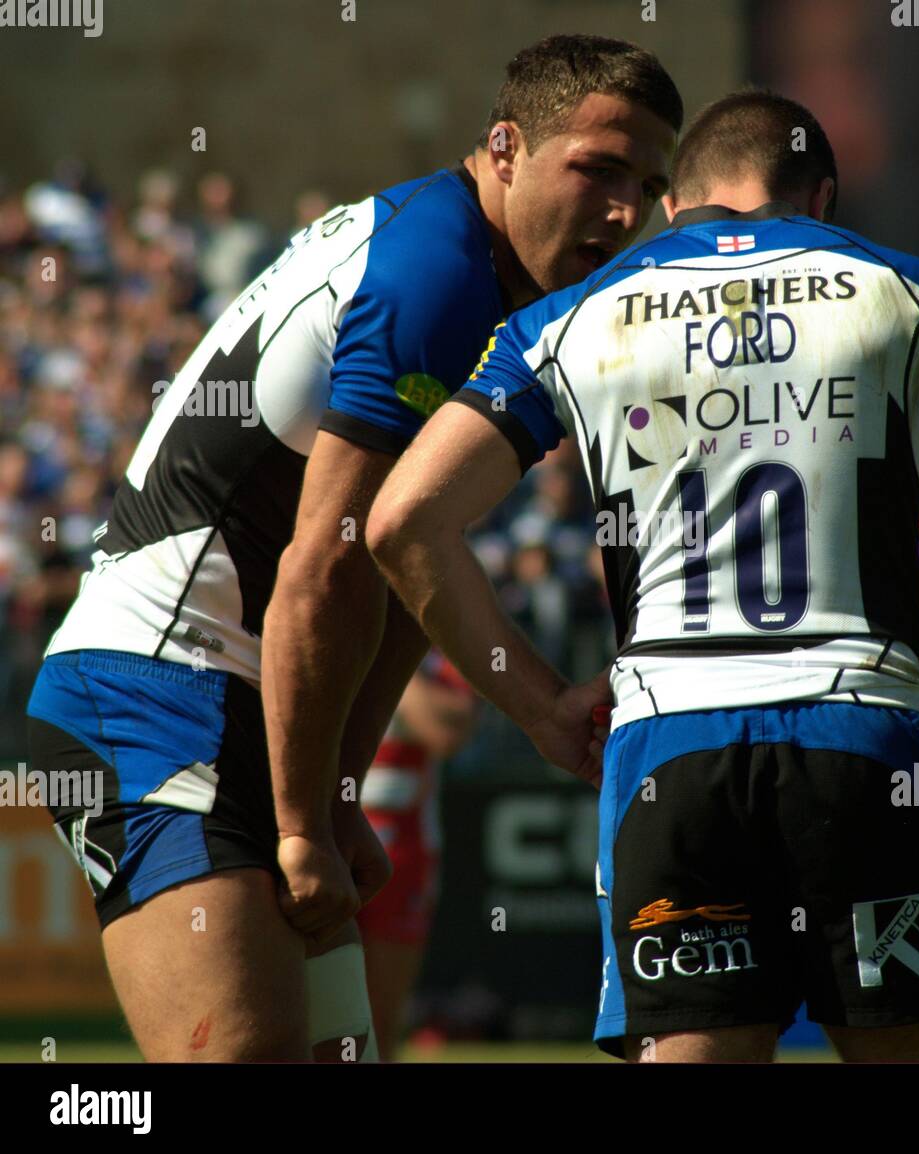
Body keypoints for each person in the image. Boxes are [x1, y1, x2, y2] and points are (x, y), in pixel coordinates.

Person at [367, 90, 919, 1063]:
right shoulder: (896, 287)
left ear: (674, 204)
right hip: (867, 729)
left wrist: (538, 703)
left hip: (669, 741)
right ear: (816, 197)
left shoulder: (573, 319)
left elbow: (404, 520)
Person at [24, 34, 680, 1062]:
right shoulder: (439, 272)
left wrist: (337, 792)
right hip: (150, 690)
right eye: (597, 168)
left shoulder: (476, 272)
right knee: (244, 1052)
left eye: (648, 183)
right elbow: (323, 565)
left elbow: (399, 565)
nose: (623, 210)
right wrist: (302, 821)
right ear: (505, 147)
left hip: (241, 698)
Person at [357, 651, 477, 1061]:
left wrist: (384, 660)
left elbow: (448, 733)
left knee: (380, 1018)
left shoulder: (428, 655)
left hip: (402, 853)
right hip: (323, 840)